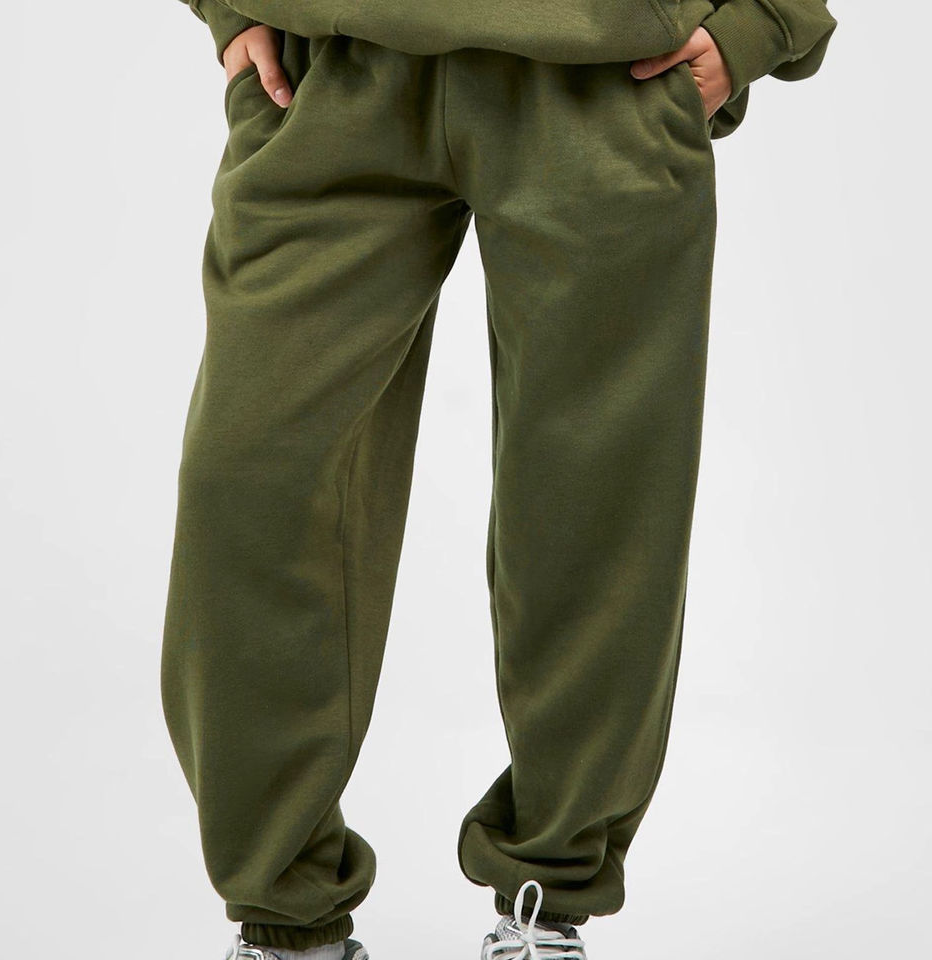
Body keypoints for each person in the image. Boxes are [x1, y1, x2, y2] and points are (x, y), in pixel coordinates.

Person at [161, 2, 837, 958]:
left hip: (605, 82)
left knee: (593, 509)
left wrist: (763, 21)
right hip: (330, 74)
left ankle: (546, 905)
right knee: (249, 481)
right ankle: (285, 919)